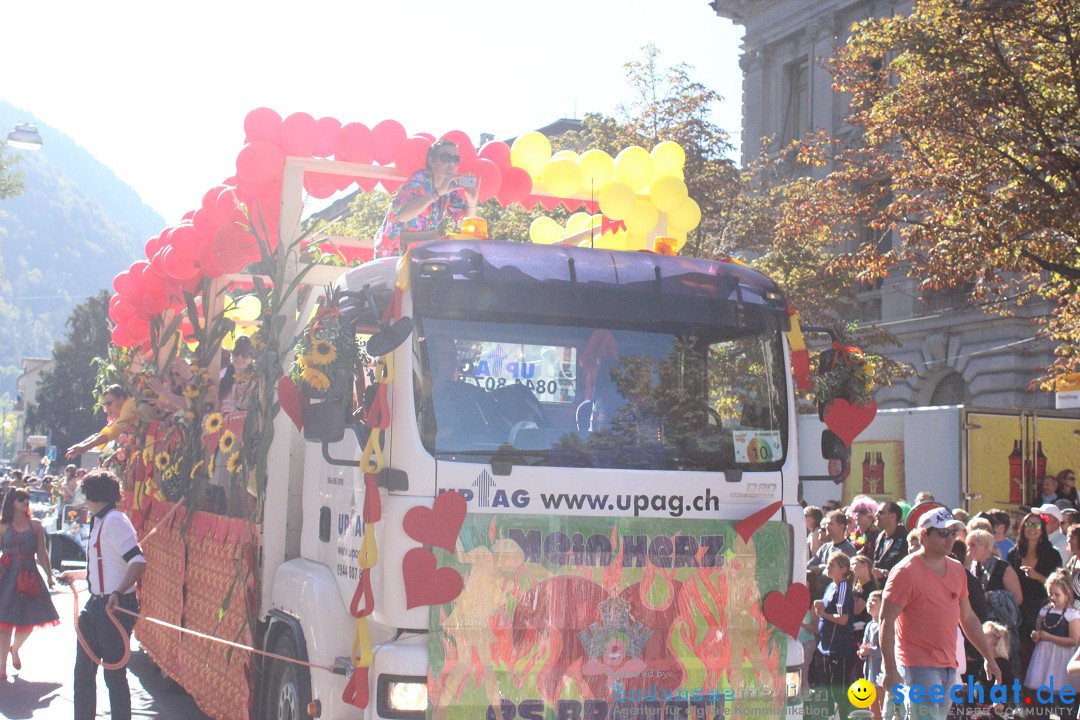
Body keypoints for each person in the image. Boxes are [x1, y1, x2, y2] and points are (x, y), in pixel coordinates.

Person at [880, 507, 1002, 720]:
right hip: (916, 664)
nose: (950, 539)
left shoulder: (957, 569)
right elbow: (886, 621)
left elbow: (968, 617)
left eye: (954, 533)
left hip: (948, 665)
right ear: (925, 535)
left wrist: (988, 657)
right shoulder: (905, 571)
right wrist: (890, 670)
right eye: (943, 533)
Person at [58, 469, 145, 720]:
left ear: (95, 495)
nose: (84, 501)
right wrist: (76, 576)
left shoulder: (115, 521)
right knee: (83, 673)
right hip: (95, 605)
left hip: (114, 607)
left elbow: (138, 562)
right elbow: (106, 566)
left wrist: (117, 593)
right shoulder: (99, 520)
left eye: (86, 495)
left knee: (114, 675)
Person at [373, 139, 481, 258]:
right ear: (431, 161)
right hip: (392, 252)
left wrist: (471, 203)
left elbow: (464, 222)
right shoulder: (419, 179)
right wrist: (437, 193)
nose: (452, 163)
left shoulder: (451, 187)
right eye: (446, 157)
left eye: (456, 159)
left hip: (417, 253)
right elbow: (402, 215)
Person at [0, 487, 59, 678]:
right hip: (7, 575)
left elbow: (42, 553)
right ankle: (1, 668)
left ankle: (14, 649)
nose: (25, 501)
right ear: (11, 502)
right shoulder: (3, 526)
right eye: (20, 498)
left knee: (30, 621)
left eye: (26, 498)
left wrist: (50, 576)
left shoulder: (36, 525)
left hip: (29, 574)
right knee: (4, 623)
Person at [1006, 511, 1063, 668]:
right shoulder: (1014, 553)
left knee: (1036, 653)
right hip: (1018, 608)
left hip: (1043, 607)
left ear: (1042, 530)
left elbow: (1060, 585)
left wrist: (1037, 576)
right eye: (1028, 525)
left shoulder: (1052, 554)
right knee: (1019, 652)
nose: (1032, 528)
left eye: (1036, 525)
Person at [1023, 570, 1080, 720]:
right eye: (1051, 594)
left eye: (1057, 594)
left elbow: (1074, 640)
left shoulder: (1072, 614)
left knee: (1064, 701)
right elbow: (1038, 629)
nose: (1053, 598)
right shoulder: (1045, 610)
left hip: (1062, 659)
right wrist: (1036, 636)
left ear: (1067, 594)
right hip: (1044, 658)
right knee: (1043, 698)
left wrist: (1050, 637)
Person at [209, 336, 256, 514]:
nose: (240, 358)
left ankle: (244, 522)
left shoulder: (256, 380)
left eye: (245, 355)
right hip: (226, 439)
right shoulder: (226, 379)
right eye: (236, 353)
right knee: (227, 486)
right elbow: (217, 408)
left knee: (244, 486)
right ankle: (230, 517)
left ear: (253, 358)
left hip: (246, 439)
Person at [814, 551, 856, 720]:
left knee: (839, 690)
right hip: (825, 647)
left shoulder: (843, 587)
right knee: (828, 689)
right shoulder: (831, 586)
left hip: (838, 648)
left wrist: (823, 613)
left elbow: (843, 619)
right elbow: (826, 608)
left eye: (832, 565)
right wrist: (819, 606)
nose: (828, 568)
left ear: (843, 569)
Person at [66, 385, 136, 459]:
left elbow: (110, 433)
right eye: (105, 405)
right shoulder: (121, 414)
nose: (107, 408)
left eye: (109, 403)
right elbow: (102, 434)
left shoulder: (130, 405)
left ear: (121, 399)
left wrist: (84, 447)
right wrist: (81, 445)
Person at [857, 591, 885, 720]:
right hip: (870, 674)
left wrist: (870, 651)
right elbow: (865, 645)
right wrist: (862, 652)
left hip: (882, 674)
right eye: (868, 600)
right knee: (873, 711)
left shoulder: (885, 625)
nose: (869, 602)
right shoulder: (869, 625)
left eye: (874, 600)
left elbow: (887, 649)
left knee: (883, 708)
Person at [872, 501, 908, 581]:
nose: (876, 515)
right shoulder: (879, 537)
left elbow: (907, 569)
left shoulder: (905, 538)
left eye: (880, 513)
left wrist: (884, 573)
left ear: (893, 517)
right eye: (876, 512)